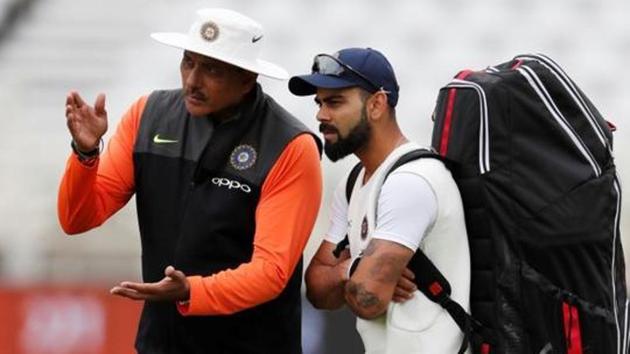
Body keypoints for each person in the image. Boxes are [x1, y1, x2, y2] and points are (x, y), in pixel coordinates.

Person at [58, 8, 322, 354]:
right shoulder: (146, 115)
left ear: (247, 79)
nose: (192, 81)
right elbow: (77, 219)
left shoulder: (290, 146)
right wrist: (85, 154)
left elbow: (271, 271)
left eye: (211, 69)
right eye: (188, 62)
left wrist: (191, 292)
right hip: (160, 344)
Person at [289, 48, 470, 353]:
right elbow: (317, 291)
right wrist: (354, 268)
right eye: (319, 102)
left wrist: (357, 277)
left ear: (376, 104)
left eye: (334, 102)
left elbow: (366, 299)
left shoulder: (410, 181)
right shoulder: (353, 181)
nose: (321, 114)